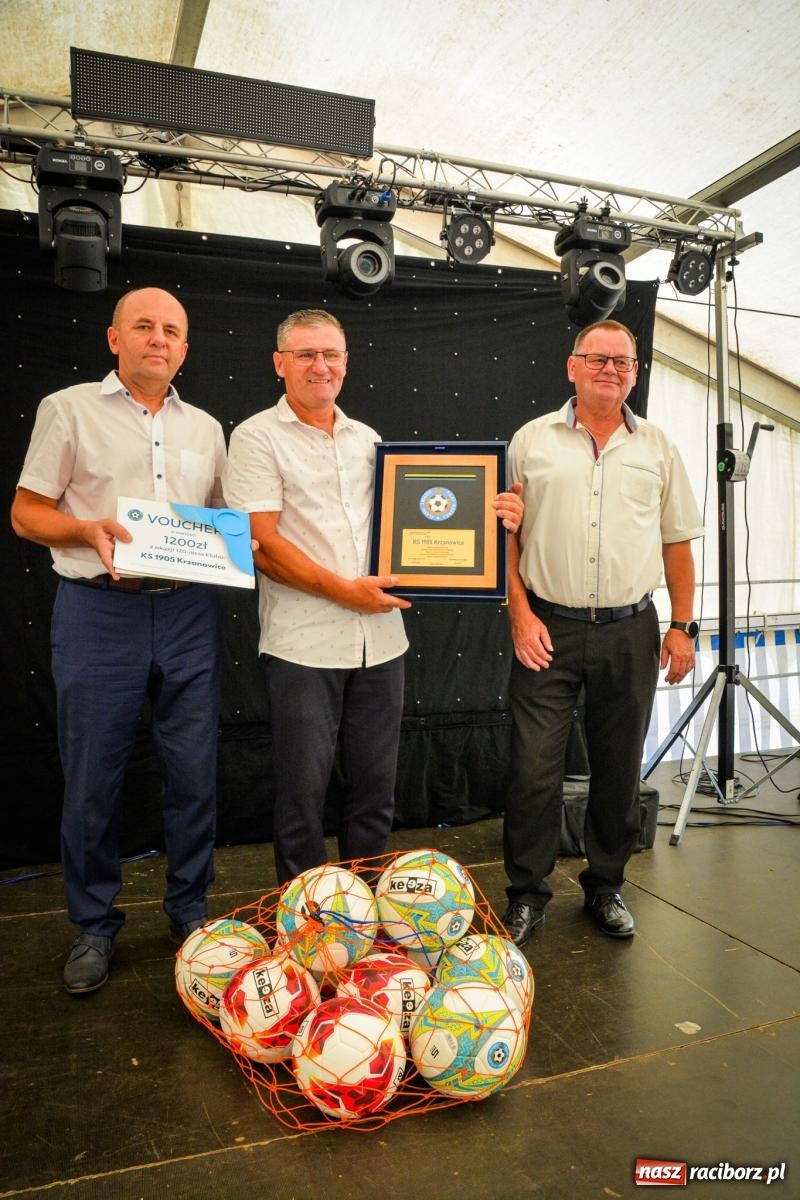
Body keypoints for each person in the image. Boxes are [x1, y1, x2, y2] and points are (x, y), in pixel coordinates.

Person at [222, 308, 523, 886]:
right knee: (302, 798)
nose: (320, 366)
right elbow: (261, 545)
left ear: (346, 363)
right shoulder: (256, 437)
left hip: (380, 642)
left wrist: (489, 514)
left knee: (373, 792)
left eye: (330, 354)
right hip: (303, 646)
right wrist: (345, 593)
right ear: (279, 363)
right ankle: (307, 921)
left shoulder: (369, 441)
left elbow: (420, 518)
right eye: (306, 354)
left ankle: (362, 913)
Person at [11, 287, 227, 994]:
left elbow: (224, 522)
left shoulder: (207, 428)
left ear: (185, 349)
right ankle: (94, 925)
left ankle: (190, 916)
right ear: (115, 338)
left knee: (193, 774)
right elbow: (25, 512)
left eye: (171, 330)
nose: (157, 339)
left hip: (189, 611)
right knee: (93, 777)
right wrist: (84, 529)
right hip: (97, 611)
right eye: (144, 326)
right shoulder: (67, 409)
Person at [501, 318, 704, 946]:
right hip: (547, 625)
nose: (609, 370)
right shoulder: (530, 442)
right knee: (534, 770)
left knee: (619, 769)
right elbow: (502, 539)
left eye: (622, 362)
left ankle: (606, 885)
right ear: (572, 366)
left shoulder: (658, 448)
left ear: (635, 372)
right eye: (597, 359)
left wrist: (682, 627)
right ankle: (528, 896)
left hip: (629, 630)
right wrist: (519, 614)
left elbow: (677, 544)